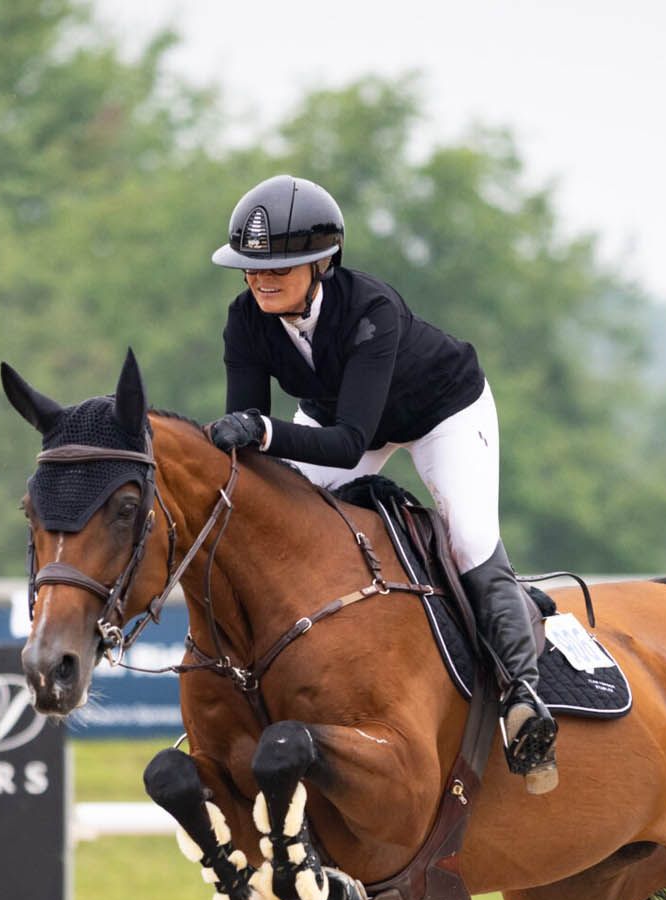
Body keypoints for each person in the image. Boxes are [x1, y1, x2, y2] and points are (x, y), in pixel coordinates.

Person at [205, 174, 558, 793]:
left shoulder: (371, 310)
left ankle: (522, 693)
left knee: (467, 538)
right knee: (272, 526)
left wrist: (259, 432)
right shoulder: (246, 320)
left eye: (278, 267)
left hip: (441, 413)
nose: (260, 280)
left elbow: (348, 442)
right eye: (250, 268)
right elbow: (253, 452)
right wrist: (246, 446)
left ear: (322, 262)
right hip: (332, 414)